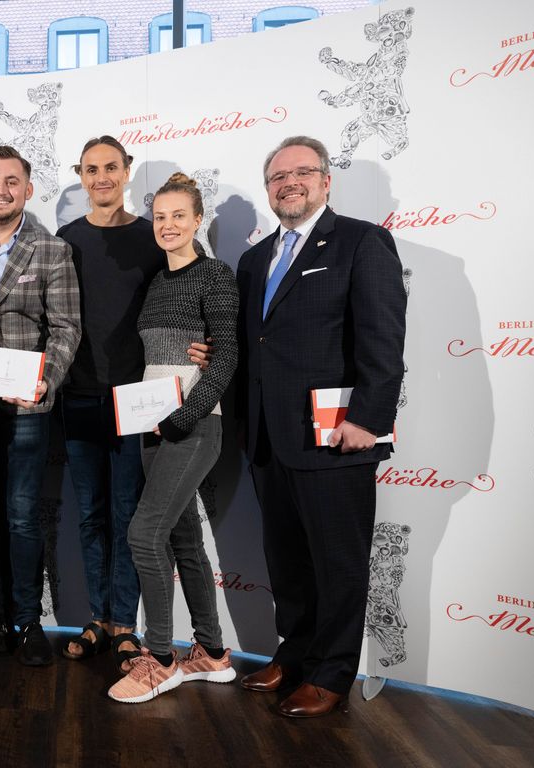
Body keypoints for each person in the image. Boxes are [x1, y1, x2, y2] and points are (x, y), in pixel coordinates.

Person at [235, 136, 406, 717]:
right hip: (269, 439)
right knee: (287, 563)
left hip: (337, 438)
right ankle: (296, 654)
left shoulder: (362, 241)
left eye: (302, 172)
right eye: (278, 177)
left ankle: (332, 673)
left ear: (326, 181)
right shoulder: (255, 259)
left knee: (337, 563)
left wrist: (369, 419)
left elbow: (383, 338)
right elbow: (257, 343)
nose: (290, 183)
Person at [106, 173, 239, 703]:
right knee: (183, 539)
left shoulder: (216, 274)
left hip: (194, 424)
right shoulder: (157, 281)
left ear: (198, 219)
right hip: (152, 424)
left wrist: (186, 416)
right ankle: (211, 652)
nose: (167, 225)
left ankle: (160, 659)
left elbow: (225, 357)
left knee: (144, 535)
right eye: (159, 217)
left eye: (178, 215)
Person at [0, 145, 81, 667]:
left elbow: (66, 329)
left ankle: (29, 622)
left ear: (28, 189)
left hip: (26, 406)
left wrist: (43, 382)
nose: (1, 190)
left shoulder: (51, 249)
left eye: (12, 181)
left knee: (23, 515)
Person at [56, 136, 164, 669]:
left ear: (127, 171)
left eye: (111, 168)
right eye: (92, 169)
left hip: (135, 399)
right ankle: (98, 617)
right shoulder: (66, 240)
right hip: (77, 395)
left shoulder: (152, 238)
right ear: (81, 175)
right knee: (90, 515)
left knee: (126, 514)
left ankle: (125, 622)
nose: (101, 178)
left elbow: (184, 300)